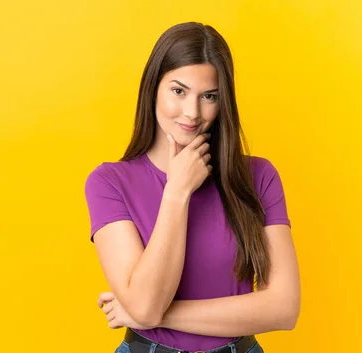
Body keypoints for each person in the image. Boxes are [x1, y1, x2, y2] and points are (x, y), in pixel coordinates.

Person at [84, 22, 300, 353]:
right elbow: (144, 306)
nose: (192, 113)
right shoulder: (109, 182)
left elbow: (284, 309)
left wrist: (154, 316)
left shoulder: (258, 176)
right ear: (153, 88)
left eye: (209, 96)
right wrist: (177, 192)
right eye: (178, 91)